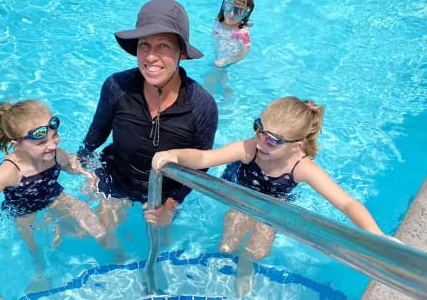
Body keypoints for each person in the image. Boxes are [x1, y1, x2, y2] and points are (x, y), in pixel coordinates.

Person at [152, 96, 400, 297]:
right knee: (227, 245)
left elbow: (346, 203)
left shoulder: (301, 167)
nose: (261, 143)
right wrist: (176, 154)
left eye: (272, 141)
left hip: (273, 204)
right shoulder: (251, 148)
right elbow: (206, 158)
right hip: (240, 194)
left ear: (297, 145)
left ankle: (246, 266)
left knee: (257, 250)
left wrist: (376, 236)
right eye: (259, 129)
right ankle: (220, 279)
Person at [0, 99, 107, 292]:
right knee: (34, 245)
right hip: (24, 210)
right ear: (17, 144)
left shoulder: (55, 153)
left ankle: (112, 250)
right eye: (41, 142)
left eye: (55, 135)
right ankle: (42, 273)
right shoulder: (10, 171)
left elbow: (70, 164)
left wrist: (88, 175)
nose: (52, 144)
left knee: (90, 219)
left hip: (54, 195)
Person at [77, 0, 218, 236]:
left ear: (182, 53)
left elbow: (200, 166)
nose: (151, 57)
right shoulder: (117, 87)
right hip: (117, 176)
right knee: (100, 235)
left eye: (163, 46)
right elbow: (95, 136)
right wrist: (84, 168)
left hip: (164, 193)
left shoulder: (202, 106)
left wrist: (171, 206)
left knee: (162, 245)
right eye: (144, 45)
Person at [204, 0, 254, 105]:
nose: (231, 14)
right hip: (219, 58)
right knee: (211, 80)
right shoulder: (218, 22)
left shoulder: (242, 32)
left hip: (228, 61)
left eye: (239, 11)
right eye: (228, 7)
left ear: (246, 14)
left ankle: (225, 103)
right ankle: (209, 102)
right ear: (224, 4)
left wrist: (228, 60)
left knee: (220, 82)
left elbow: (246, 50)